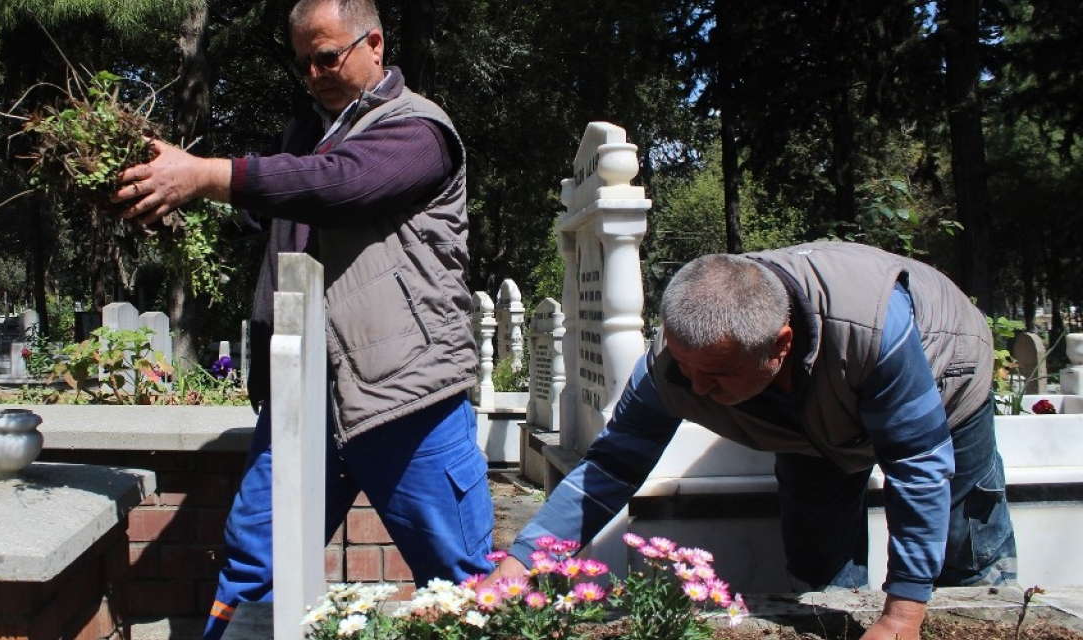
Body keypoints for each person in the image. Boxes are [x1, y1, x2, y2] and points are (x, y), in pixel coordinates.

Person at [110, 1, 493, 638]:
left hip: (408, 401)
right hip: (304, 399)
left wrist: (204, 175)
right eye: (304, 63)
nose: (314, 74)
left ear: (375, 43)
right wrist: (160, 191)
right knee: (253, 566)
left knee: (461, 581)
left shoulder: (419, 130)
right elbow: (269, 202)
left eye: (327, 57)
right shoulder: (306, 137)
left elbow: (340, 185)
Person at [486, 242, 1017, 640]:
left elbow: (917, 468)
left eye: (716, 375)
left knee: (964, 554)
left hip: (946, 382)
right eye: (686, 368)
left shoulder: (875, 332)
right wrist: (524, 560)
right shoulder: (673, 364)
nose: (696, 389)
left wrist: (902, 616)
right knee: (818, 569)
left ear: (780, 345)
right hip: (812, 423)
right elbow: (610, 467)